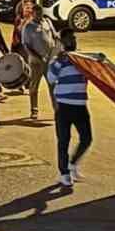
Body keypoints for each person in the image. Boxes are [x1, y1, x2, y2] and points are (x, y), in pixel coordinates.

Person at [47, 28, 93, 188]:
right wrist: (59, 61)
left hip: (80, 106)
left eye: (74, 38)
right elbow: (51, 78)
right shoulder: (57, 60)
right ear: (62, 42)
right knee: (63, 141)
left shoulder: (81, 59)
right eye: (69, 39)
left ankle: (72, 164)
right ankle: (64, 173)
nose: (73, 41)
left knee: (87, 138)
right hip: (64, 106)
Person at [20, 3, 57, 121]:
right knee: (34, 86)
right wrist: (39, 57)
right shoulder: (28, 27)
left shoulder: (47, 22)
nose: (40, 16)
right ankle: (34, 110)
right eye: (37, 14)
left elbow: (54, 36)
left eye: (41, 13)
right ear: (33, 14)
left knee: (53, 85)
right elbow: (26, 46)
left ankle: (57, 110)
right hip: (36, 62)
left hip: (50, 60)